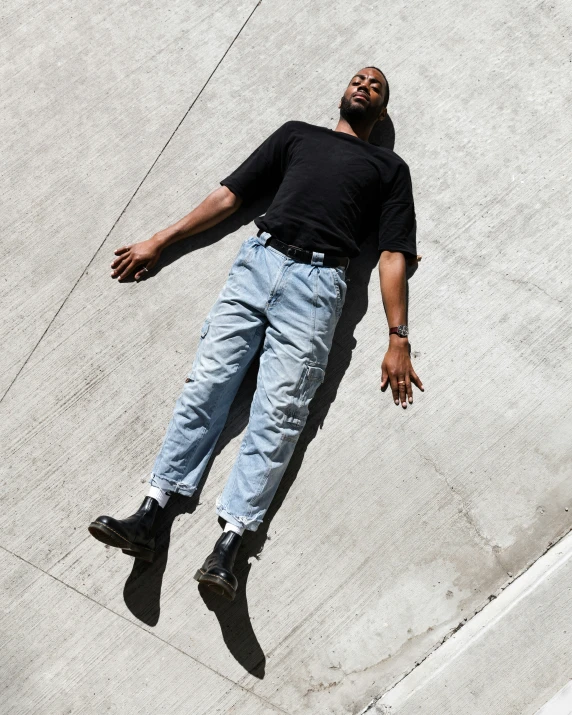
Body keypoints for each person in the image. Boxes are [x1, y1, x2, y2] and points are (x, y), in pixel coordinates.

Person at [88, 66, 424, 601]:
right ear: (342, 93)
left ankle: (230, 546)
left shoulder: (389, 167)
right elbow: (229, 196)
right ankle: (150, 515)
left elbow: (392, 254)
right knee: (207, 385)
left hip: (318, 286)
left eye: (377, 86)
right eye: (358, 79)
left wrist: (397, 337)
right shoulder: (296, 135)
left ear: (381, 112)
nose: (364, 85)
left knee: (280, 414)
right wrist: (160, 239)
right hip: (258, 264)